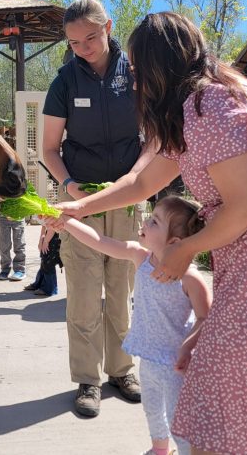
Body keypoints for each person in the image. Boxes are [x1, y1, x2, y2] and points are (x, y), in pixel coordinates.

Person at [48, 12, 247, 454]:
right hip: (236, 265)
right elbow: (140, 184)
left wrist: (188, 249)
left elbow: (244, 204)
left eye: (140, 72)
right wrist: (77, 207)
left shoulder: (209, 108)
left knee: (221, 410)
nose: (136, 85)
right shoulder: (192, 114)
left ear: (163, 68)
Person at [43, 0, 157, 417]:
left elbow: (156, 138)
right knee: (86, 296)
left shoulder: (137, 75)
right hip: (83, 202)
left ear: (108, 26)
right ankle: (87, 381)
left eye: (91, 37)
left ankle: (122, 370)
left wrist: (138, 182)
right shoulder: (64, 83)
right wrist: (71, 189)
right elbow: (51, 149)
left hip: (129, 201)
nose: (84, 47)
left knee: (124, 293)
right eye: (74, 42)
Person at [54, 195, 211, 455]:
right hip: (148, 358)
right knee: (151, 408)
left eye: (155, 222)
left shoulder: (190, 278)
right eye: (151, 217)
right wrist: (66, 222)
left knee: (178, 419)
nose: (146, 222)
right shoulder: (141, 257)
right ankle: (159, 449)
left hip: (177, 365)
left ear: (174, 242)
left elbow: (206, 317)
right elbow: (99, 241)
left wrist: (188, 346)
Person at [24, 226, 62, 296]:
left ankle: (50, 289)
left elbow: (52, 226)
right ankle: (39, 284)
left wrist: (46, 241)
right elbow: (44, 225)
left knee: (49, 262)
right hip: (49, 233)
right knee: (44, 260)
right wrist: (41, 240)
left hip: (55, 234)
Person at [0, 214, 26, 281]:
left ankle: (20, 270)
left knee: (19, 244)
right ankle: (5, 269)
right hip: (3, 216)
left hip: (18, 216)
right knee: (4, 245)